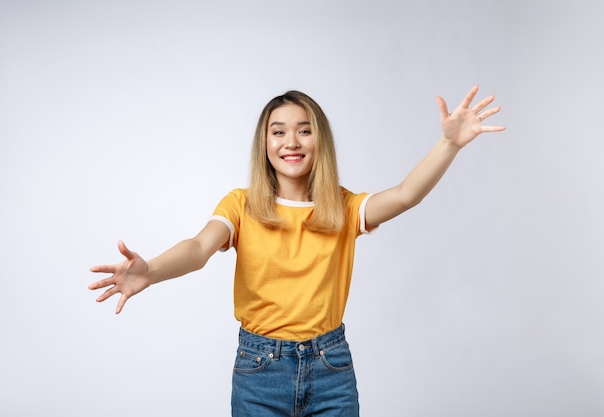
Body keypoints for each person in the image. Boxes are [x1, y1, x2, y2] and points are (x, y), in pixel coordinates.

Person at [89, 86, 505, 416]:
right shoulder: (242, 205)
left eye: (304, 130)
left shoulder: (342, 208)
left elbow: (406, 194)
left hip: (331, 368)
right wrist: (152, 271)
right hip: (260, 371)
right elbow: (199, 248)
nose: (292, 141)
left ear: (318, 140)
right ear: (264, 143)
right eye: (279, 131)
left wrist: (448, 144)